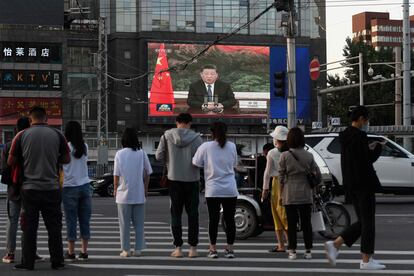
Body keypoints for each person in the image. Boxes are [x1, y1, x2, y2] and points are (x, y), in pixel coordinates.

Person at [8, 106, 70, 271]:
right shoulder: (58, 135)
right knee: (54, 227)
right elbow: (66, 159)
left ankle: (28, 263)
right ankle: (57, 262)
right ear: (46, 118)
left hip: (29, 189)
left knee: (29, 228)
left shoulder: (21, 135)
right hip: (52, 188)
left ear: (30, 119)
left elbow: (11, 161)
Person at [325, 106, 386, 270]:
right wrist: (379, 147)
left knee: (363, 222)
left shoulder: (345, 136)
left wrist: (368, 148)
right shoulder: (359, 136)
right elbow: (367, 161)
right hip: (364, 183)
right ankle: (366, 260)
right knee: (368, 222)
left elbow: (355, 159)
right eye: (366, 120)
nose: (366, 123)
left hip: (352, 185)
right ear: (360, 119)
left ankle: (336, 244)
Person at [155, 113, 202, 258]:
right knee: (193, 215)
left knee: (176, 215)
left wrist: (171, 160)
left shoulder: (166, 136)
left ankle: (178, 248)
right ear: (190, 123)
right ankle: (193, 249)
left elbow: (158, 156)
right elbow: (200, 160)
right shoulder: (197, 138)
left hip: (174, 180)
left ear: (177, 122)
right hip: (193, 180)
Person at [192, 122, 238, 259]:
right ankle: (229, 250)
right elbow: (234, 164)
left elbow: (195, 162)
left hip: (213, 189)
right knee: (230, 220)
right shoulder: (232, 146)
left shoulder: (205, 146)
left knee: (213, 220)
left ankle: (213, 249)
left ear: (212, 133)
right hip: (230, 188)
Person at [1, 117, 43, 264]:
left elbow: (5, 169)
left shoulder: (8, 146)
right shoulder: (33, 144)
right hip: (31, 187)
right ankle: (32, 252)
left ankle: (10, 253)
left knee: (12, 221)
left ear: (16, 129)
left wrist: (10, 183)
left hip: (14, 189)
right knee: (31, 221)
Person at [278, 127, 321, 260]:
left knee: (291, 224)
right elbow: (316, 173)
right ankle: (308, 251)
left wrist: (280, 195)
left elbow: (281, 177)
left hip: (290, 193)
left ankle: (292, 251)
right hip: (305, 193)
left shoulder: (284, 156)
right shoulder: (309, 155)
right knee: (306, 224)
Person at [114, 127, 152, 257]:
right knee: (139, 224)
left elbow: (116, 175)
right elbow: (148, 172)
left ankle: (126, 250)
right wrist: (145, 188)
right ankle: (138, 249)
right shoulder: (142, 153)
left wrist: (114, 189)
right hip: (139, 194)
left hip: (123, 195)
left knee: (124, 225)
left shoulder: (119, 154)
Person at [62, 121, 92, 261]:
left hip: (69, 187)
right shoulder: (84, 147)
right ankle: (84, 251)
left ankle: (71, 252)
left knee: (71, 220)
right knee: (84, 220)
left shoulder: (65, 147)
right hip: (85, 186)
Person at [261, 126, 289, 253]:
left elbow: (267, 173)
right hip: (290, 183)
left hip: (277, 183)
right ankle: (289, 242)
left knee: (278, 215)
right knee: (285, 214)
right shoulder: (291, 151)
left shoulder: (272, 153)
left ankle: (282, 244)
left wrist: (264, 189)